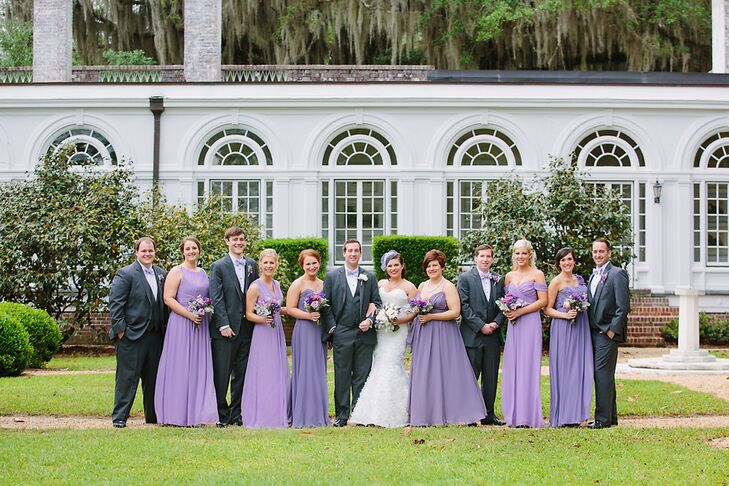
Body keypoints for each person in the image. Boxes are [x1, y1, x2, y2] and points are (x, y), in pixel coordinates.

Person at [409, 249, 487, 426]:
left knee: (448, 371)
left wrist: (431, 316)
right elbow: (415, 307)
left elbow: (455, 312)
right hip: (424, 334)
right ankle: (425, 414)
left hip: (444, 333)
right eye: (428, 266)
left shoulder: (448, 286)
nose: (432, 269)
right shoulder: (422, 286)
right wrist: (417, 311)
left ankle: (458, 412)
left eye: (435, 265)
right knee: (425, 371)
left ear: (442, 266)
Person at [154, 237, 218, 426]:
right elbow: (168, 298)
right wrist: (189, 315)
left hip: (200, 325)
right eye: (188, 248)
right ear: (182, 251)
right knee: (180, 366)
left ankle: (198, 413)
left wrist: (205, 311)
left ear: (199, 250)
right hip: (181, 324)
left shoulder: (203, 272)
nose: (191, 251)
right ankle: (175, 414)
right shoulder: (176, 271)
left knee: (197, 367)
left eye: (194, 248)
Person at [350, 250, 417, 427]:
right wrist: (378, 317)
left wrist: (398, 319)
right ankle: (372, 411)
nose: (393, 268)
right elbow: (373, 304)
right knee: (378, 364)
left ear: (402, 266)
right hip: (381, 330)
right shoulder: (379, 283)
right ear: (385, 268)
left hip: (398, 331)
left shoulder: (409, 287)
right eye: (390, 265)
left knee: (392, 364)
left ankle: (396, 413)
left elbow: (415, 311)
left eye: (396, 265)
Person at [321, 239, 382, 427]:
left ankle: (359, 413)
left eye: (356, 251)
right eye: (350, 251)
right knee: (342, 374)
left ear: (361, 253)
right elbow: (325, 304)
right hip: (342, 332)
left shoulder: (369, 277)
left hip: (365, 334)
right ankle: (341, 415)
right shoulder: (332, 277)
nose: (353, 254)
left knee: (362, 375)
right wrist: (333, 328)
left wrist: (370, 321)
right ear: (344, 253)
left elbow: (377, 303)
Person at [108, 237, 167, 428]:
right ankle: (119, 417)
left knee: (153, 380)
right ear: (137, 253)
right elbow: (116, 304)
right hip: (131, 336)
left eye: (150, 251)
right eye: (144, 251)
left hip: (156, 336)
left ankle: (152, 416)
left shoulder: (161, 274)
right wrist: (120, 332)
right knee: (127, 378)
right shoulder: (125, 274)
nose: (148, 254)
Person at [209, 227, 259, 427]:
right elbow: (216, 297)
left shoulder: (252, 265)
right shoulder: (218, 266)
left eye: (241, 239)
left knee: (241, 373)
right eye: (234, 239)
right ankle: (221, 414)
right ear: (226, 242)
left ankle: (236, 413)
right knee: (222, 373)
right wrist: (223, 324)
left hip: (247, 328)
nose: (239, 242)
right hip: (225, 329)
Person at [457, 244, 507, 426]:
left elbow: (504, 304)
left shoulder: (498, 279)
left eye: (488, 256)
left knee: (490, 376)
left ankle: (488, 414)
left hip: (492, 335)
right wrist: (480, 326)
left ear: (492, 259)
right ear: (475, 258)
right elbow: (464, 306)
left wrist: (495, 323)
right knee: (471, 376)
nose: (485, 259)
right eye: (482, 256)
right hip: (472, 336)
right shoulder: (465, 278)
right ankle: (470, 415)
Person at [544, 247, 593, 427]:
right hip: (563, 328)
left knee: (580, 369)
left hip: (581, 327)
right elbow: (547, 309)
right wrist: (565, 315)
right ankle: (564, 416)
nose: (567, 263)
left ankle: (578, 414)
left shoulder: (579, 280)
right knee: (565, 370)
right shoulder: (555, 282)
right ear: (558, 263)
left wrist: (580, 308)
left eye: (570, 259)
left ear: (574, 261)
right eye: (563, 260)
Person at [501, 239, 548, 428]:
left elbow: (542, 301)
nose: (520, 257)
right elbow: (507, 300)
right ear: (514, 255)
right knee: (513, 366)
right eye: (517, 253)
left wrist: (521, 311)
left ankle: (528, 416)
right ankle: (514, 415)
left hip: (530, 323)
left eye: (523, 253)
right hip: (514, 325)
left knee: (528, 366)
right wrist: (508, 310)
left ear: (530, 255)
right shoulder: (509, 276)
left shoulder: (537, 274)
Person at [242, 249, 291, 428]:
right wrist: (263, 319)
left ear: (276, 265)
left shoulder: (277, 284)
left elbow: (279, 308)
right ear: (260, 264)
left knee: (277, 371)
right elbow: (248, 314)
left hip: (276, 330)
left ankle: (278, 411)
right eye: (265, 263)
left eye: (272, 263)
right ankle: (262, 414)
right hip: (262, 332)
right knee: (264, 371)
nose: (269, 266)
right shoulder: (255, 287)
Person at [587, 238, 630, 429]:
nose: (598, 255)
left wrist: (612, 331)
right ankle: (610, 417)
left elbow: (623, 306)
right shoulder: (592, 275)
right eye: (595, 251)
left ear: (609, 253)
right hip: (592, 332)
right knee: (605, 375)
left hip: (606, 333)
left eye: (601, 251)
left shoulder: (617, 274)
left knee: (601, 374)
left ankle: (602, 419)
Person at [286, 249, 329, 428]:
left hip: (319, 331)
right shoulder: (298, 284)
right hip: (304, 330)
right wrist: (307, 316)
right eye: (308, 264)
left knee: (318, 370)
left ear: (319, 263)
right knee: (305, 370)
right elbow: (289, 309)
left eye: (314, 263)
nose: (312, 266)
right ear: (302, 265)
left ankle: (318, 413)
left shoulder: (324, 283)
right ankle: (302, 414)